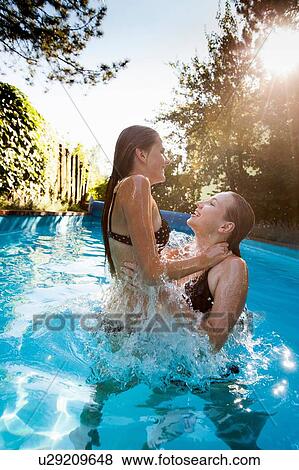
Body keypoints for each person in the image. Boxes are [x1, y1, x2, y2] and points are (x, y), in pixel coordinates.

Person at [102, 125, 229, 295]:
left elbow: (148, 259)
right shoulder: (137, 184)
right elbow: (152, 274)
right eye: (161, 151)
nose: (167, 160)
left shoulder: (128, 188)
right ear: (142, 154)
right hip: (135, 320)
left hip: (131, 316)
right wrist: (205, 259)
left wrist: (191, 250)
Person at [158, 191, 255, 351]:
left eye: (211, 203)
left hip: (204, 373)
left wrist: (164, 293)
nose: (199, 203)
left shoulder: (232, 266)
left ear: (225, 226)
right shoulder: (179, 253)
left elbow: (214, 342)